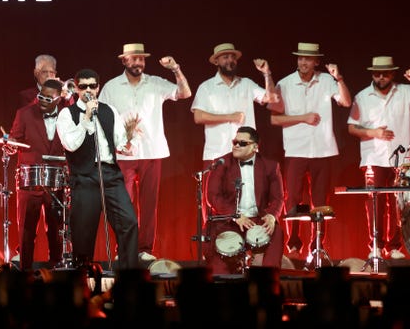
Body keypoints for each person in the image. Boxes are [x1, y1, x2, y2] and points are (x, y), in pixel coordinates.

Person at [98, 43, 192, 262]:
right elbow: (102, 118)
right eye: (134, 59)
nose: (138, 62)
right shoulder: (112, 87)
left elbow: (185, 93)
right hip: (124, 154)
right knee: (123, 205)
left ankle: (145, 249)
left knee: (149, 205)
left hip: (152, 151)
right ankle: (125, 248)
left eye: (141, 59)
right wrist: (118, 140)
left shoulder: (155, 83)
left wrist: (175, 69)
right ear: (124, 61)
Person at [270, 42, 351, 260]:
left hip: (323, 149)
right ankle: (293, 246)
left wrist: (339, 78)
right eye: (300, 58)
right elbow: (274, 117)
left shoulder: (326, 80)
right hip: (296, 149)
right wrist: (302, 117)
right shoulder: (285, 83)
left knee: (320, 201)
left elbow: (345, 101)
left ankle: (316, 247)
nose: (303, 62)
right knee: (293, 199)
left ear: (316, 61)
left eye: (308, 59)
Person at [347, 56, 410, 259]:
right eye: (377, 73)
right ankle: (375, 245)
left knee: (397, 203)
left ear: (392, 73)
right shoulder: (362, 96)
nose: (381, 77)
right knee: (374, 202)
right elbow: (351, 127)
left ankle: (394, 247)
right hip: (373, 157)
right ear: (372, 74)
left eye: (385, 73)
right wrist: (373, 132)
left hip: (399, 158)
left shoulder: (404, 91)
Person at [56, 69, 140, 270]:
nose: (88, 90)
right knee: (84, 232)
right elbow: (71, 144)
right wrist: (85, 118)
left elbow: (119, 142)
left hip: (110, 174)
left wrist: (129, 143)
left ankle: (129, 276)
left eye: (92, 86)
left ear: (98, 87)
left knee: (128, 222)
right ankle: (84, 281)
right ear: (76, 88)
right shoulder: (67, 114)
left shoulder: (109, 110)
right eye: (83, 86)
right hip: (85, 176)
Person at [205, 126, 285, 275]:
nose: (236, 145)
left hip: (257, 219)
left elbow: (278, 197)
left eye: (242, 143)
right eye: (235, 141)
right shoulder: (221, 163)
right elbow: (212, 196)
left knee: (276, 232)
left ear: (255, 147)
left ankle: (267, 284)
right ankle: (222, 288)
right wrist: (235, 215)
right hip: (229, 220)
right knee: (212, 234)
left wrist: (272, 215)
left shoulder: (270, 166)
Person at [7, 79, 68, 271]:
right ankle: (25, 272)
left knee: (57, 231)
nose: (42, 100)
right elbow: (14, 139)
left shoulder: (67, 115)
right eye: (40, 95)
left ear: (59, 98)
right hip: (30, 180)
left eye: (48, 98)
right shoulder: (24, 114)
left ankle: (56, 269)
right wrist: (10, 145)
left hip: (56, 181)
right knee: (26, 231)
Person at [191, 42, 278, 164]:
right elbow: (198, 117)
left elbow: (272, 98)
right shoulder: (206, 87)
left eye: (233, 57)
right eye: (225, 57)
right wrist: (230, 117)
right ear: (216, 61)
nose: (230, 60)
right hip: (217, 153)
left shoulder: (246, 84)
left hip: (246, 154)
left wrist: (266, 73)